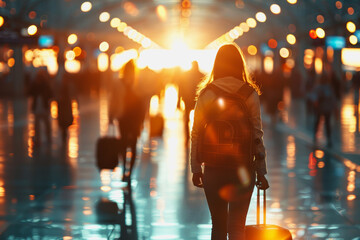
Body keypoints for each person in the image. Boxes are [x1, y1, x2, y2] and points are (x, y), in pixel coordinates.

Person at [190, 43, 269, 240]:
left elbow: (196, 133)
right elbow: (257, 135)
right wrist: (261, 171)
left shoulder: (207, 93)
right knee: (237, 227)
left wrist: (195, 168)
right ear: (239, 64)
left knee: (218, 225)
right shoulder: (249, 93)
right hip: (242, 168)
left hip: (214, 168)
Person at [117, 60, 147, 182]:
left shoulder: (123, 82)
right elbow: (142, 102)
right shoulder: (137, 83)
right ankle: (128, 171)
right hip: (132, 117)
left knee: (125, 143)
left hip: (125, 117)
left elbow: (115, 99)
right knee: (131, 144)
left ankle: (126, 169)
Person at [28, 67, 54, 147]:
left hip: (43, 106)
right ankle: (39, 138)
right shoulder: (37, 84)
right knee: (39, 124)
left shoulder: (45, 84)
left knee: (45, 123)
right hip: (39, 106)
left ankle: (46, 138)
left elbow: (50, 94)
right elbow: (30, 92)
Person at [313, 72, 338, 147]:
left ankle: (315, 136)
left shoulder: (319, 87)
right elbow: (333, 99)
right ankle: (328, 139)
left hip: (321, 108)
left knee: (319, 122)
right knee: (326, 124)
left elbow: (314, 98)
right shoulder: (328, 88)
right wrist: (335, 108)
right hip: (326, 108)